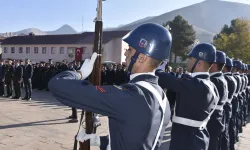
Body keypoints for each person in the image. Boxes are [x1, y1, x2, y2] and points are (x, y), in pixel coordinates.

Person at [49, 23, 172, 150]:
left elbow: (57, 84)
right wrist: (100, 141)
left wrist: (79, 73)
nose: (125, 53)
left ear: (141, 58)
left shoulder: (132, 95)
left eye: (129, 49)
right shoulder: (162, 98)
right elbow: (138, 137)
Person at [155, 43, 219, 150]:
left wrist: (158, 69)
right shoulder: (210, 85)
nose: (187, 61)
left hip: (186, 141)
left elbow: (166, 79)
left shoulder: (197, 85)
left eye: (191, 59)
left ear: (199, 63)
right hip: (196, 137)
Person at [206, 50, 228, 150]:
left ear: (214, 65)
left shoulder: (215, 80)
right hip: (218, 117)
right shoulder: (221, 78)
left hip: (213, 118)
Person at [222, 57, 237, 150]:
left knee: (224, 133)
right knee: (228, 127)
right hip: (231, 103)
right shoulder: (234, 78)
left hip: (225, 106)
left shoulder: (226, 78)